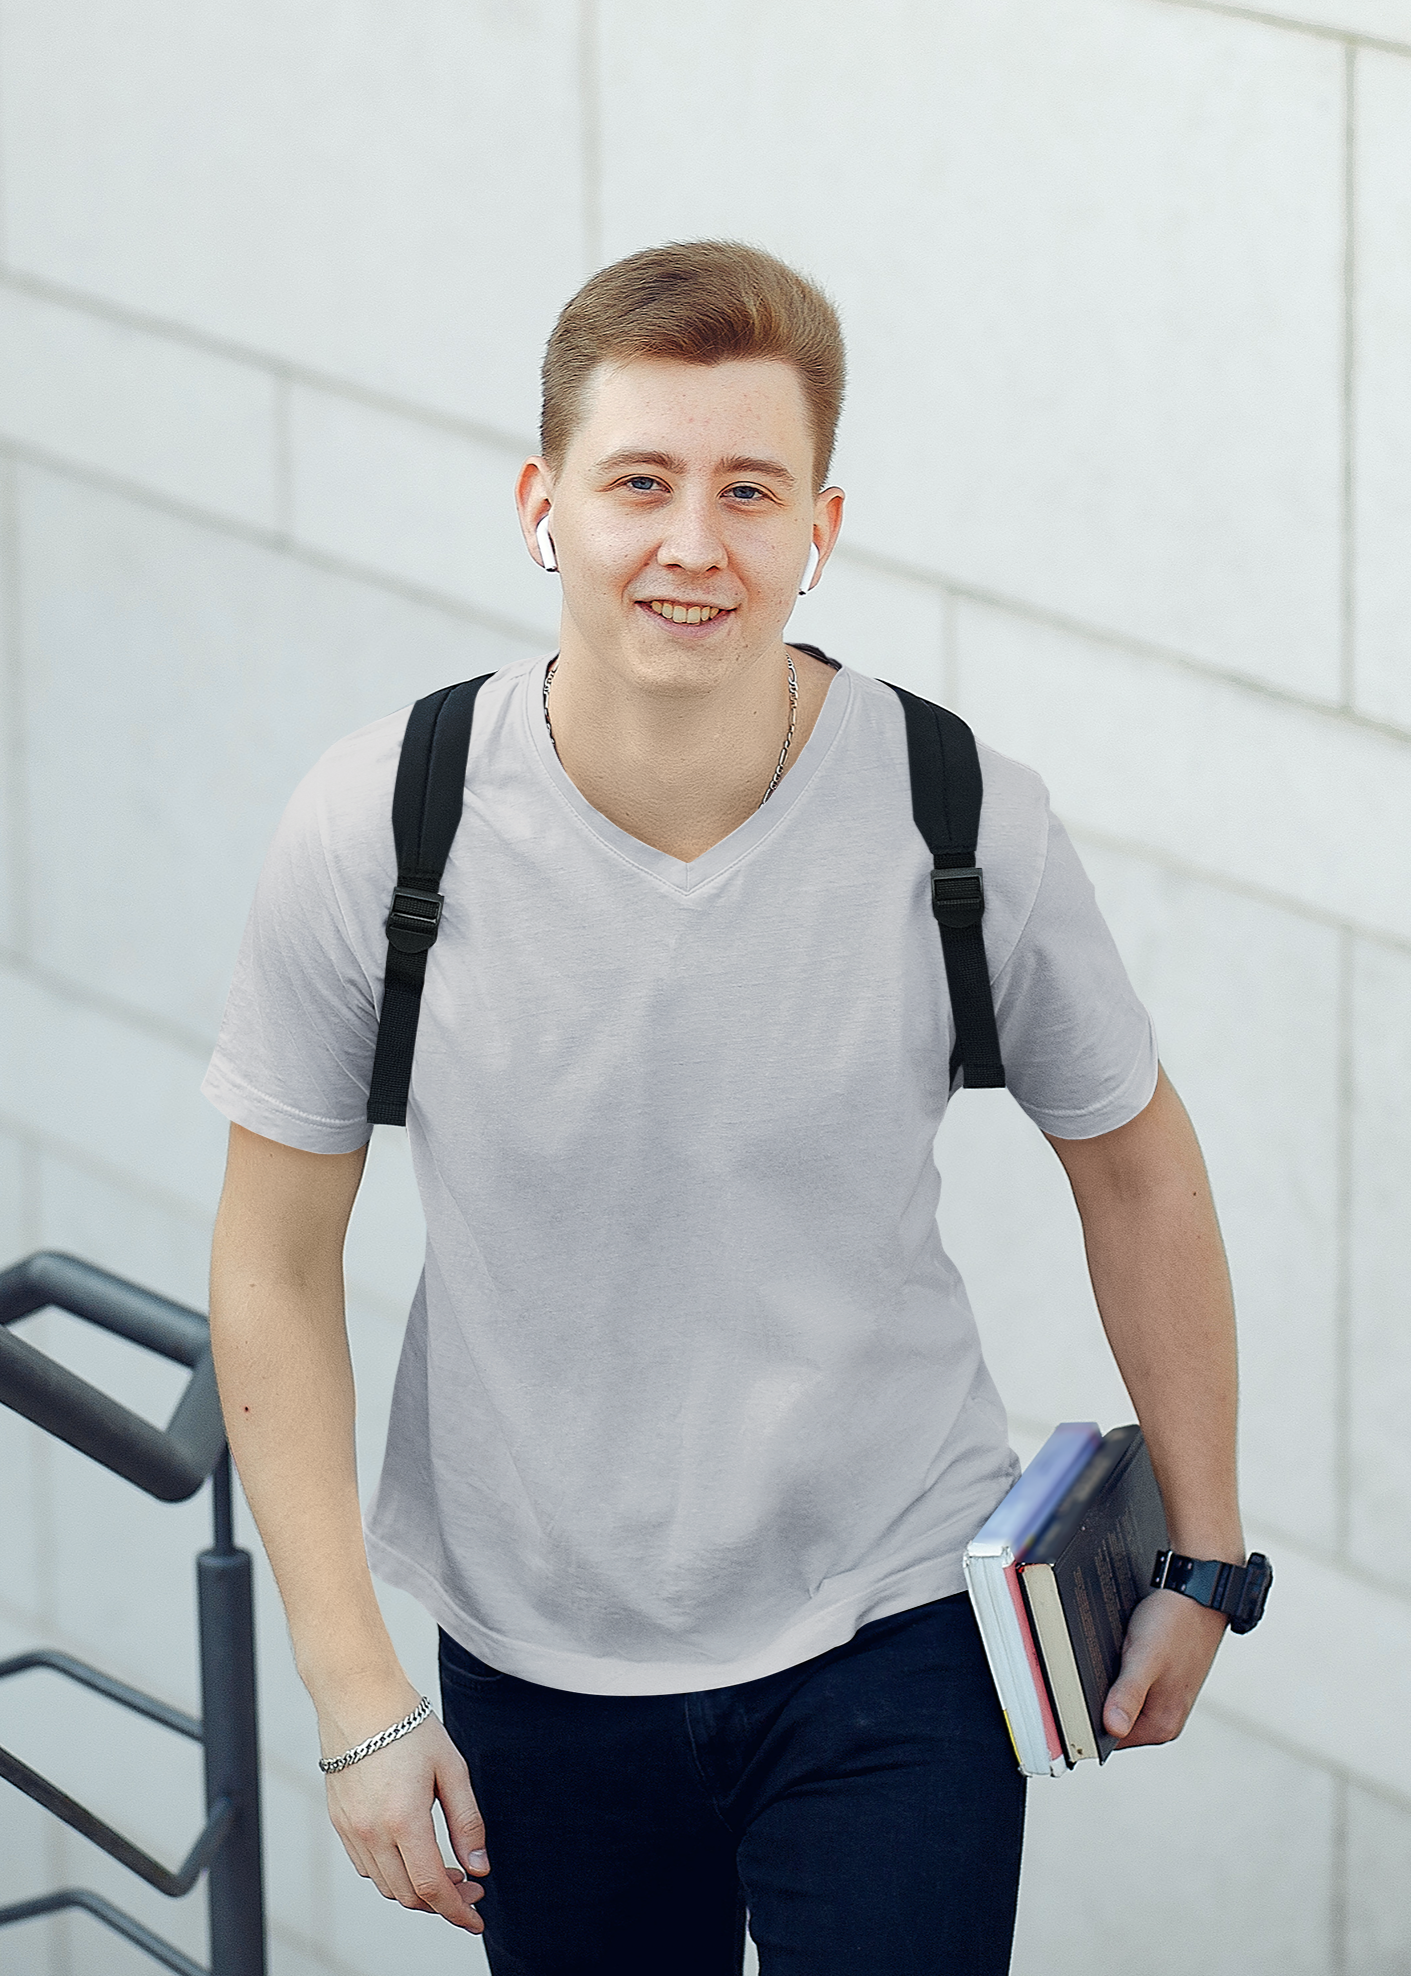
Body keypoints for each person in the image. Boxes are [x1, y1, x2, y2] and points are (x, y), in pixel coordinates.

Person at [206, 241, 1245, 1975]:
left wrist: (1206, 1557)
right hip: (537, 1664)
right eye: (640, 483)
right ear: (545, 505)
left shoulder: (956, 810)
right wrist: (354, 1694)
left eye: (749, 489)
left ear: (818, 529)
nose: (693, 543)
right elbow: (271, 1265)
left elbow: (1133, 1166)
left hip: (893, 1630)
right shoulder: (384, 826)